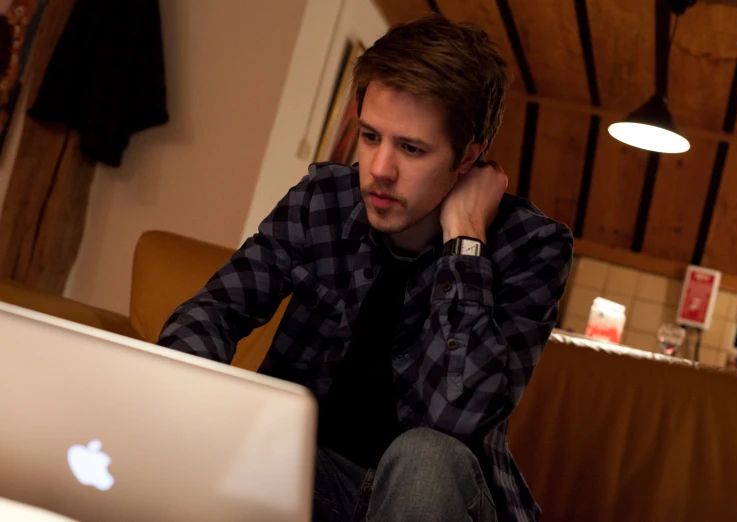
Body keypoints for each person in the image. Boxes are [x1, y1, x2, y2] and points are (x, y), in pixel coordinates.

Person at [158, 14, 573, 522]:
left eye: (411, 148)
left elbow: (458, 417)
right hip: (311, 481)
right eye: (372, 137)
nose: (379, 169)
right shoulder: (322, 201)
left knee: (424, 458)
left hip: (435, 500)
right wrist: (185, 391)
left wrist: (465, 237)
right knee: (248, 427)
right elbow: (216, 310)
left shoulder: (532, 246)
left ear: (469, 156)